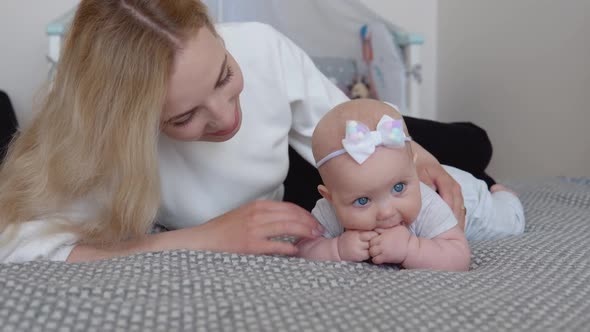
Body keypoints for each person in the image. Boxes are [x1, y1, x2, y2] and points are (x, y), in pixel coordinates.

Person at [0, 0, 466, 263]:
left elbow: (351, 124)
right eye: (183, 118)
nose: (226, 118)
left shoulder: (262, 48)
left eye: (224, 76)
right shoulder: (94, 133)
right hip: (274, 196)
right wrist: (202, 237)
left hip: (297, 158)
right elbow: (18, 243)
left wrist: (418, 155)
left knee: (469, 144)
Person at [296, 99, 525, 271]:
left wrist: (411, 249)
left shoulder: (428, 205)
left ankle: (502, 193)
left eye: (398, 188)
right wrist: (336, 249)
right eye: (362, 200)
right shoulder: (328, 211)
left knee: (510, 220)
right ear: (330, 198)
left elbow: (459, 257)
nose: (386, 212)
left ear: (413, 169)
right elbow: (304, 246)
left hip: (469, 200)